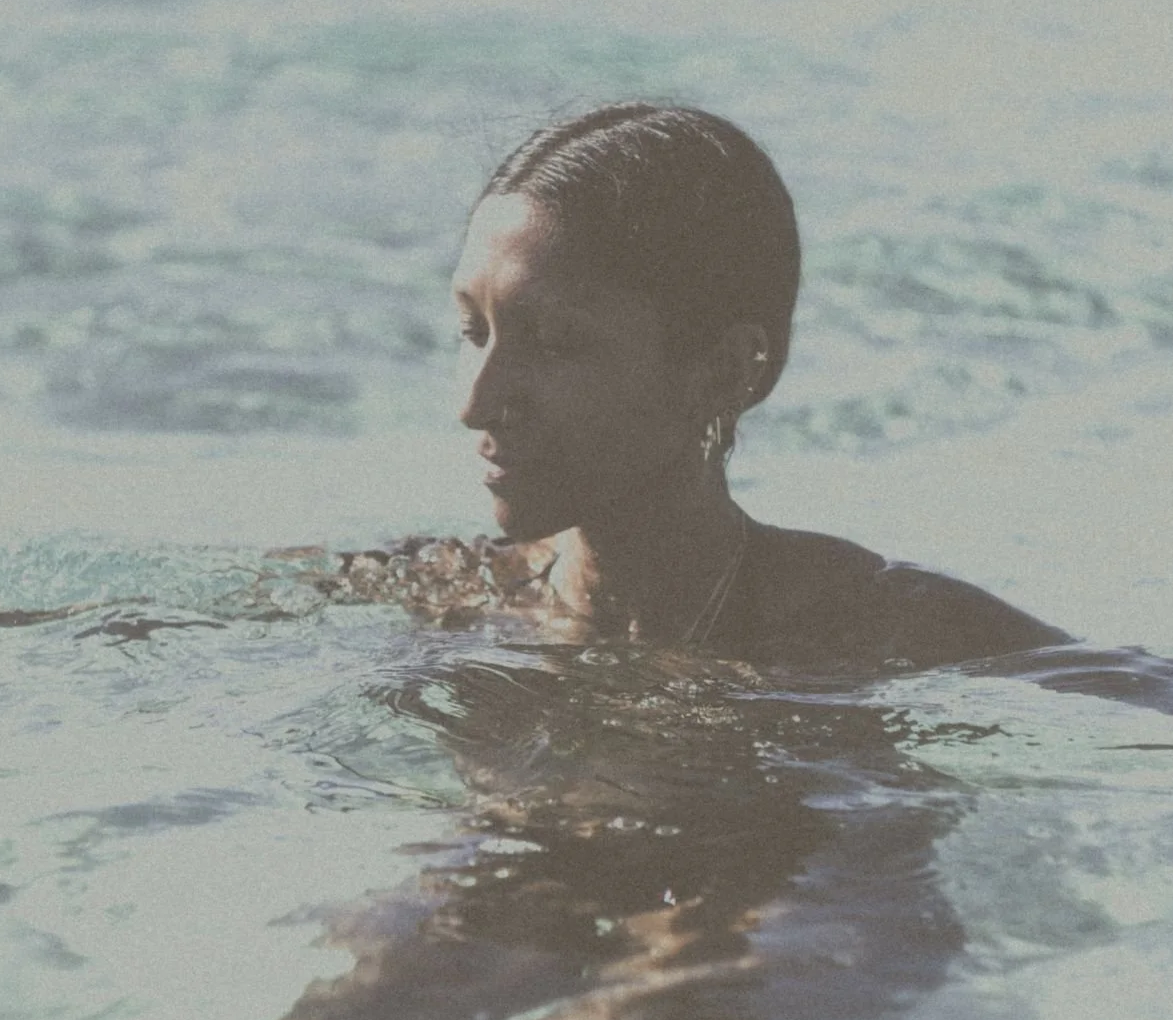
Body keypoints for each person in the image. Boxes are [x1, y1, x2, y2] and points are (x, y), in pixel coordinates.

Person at [450, 100, 1071, 668]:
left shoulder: (875, 634)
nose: (475, 405)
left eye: (554, 342)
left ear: (725, 370)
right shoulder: (452, 594)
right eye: (473, 330)